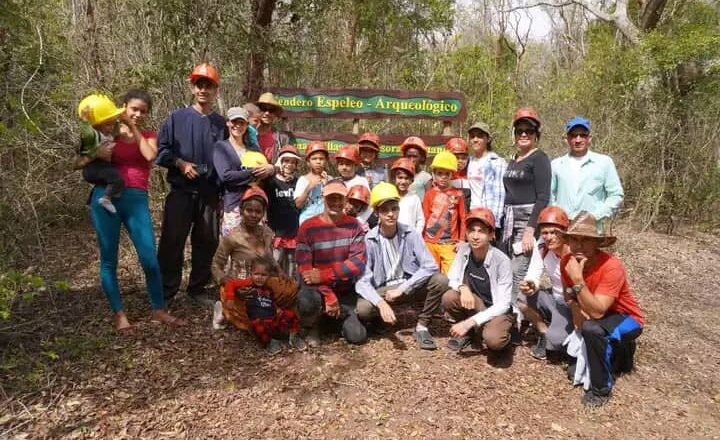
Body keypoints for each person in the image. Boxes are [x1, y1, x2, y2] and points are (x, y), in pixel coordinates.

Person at [86, 89, 185, 330]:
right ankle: (119, 314)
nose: (138, 114)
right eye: (134, 109)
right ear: (123, 107)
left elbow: (150, 155)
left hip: (136, 199)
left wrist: (133, 127)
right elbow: (85, 151)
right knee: (109, 259)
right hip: (105, 198)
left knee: (149, 258)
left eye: (143, 111)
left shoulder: (150, 135)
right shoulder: (109, 132)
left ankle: (159, 309)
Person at [155, 63, 227, 306]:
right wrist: (180, 163)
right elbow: (161, 151)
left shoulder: (222, 123)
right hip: (181, 191)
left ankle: (197, 289)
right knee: (172, 240)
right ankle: (165, 291)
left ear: (215, 89)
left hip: (209, 193)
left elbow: (231, 156)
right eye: (199, 84)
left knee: (207, 241)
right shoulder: (177, 118)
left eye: (208, 85)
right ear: (192, 87)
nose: (203, 89)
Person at [559, 212, 644, 408]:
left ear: (597, 243)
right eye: (574, 239)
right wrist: (575, 312)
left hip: (625, 317)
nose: (579, 245)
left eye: (586, 240)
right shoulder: (567, 262)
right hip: (593, 313)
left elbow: (598, 312)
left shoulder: (611, 266)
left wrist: (578, 280)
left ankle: (601, 390)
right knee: (574, 365)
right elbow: (568, 295)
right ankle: (620, 352)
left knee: (593, 329)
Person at [355, 183, 449, 350]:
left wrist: (403, 288)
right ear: (377, 213)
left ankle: (422, 325)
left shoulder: (410, 233)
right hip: (385, 290)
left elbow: (430, 266)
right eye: (385, 210)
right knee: (363, 308)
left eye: (394, 208)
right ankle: (380, 320)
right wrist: (380, 303)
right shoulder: (369, 240)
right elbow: (362, 281)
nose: (391, 214)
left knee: (440, 280)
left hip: (408, 285)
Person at [295, 180, 368, 346]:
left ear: (345, 200)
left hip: (344, 289)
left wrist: (324, 275)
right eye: (331, 198)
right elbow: (305, 267)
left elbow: (357, 263)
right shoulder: (307, 227)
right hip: (317, 290)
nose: (335, 202)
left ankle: (335, 320)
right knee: (306, 301)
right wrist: (328, 294)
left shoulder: (354, 225)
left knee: (357, 336)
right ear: (323, 198)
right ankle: (313, 324)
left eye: (339, 198)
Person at [502, 107, 552, 322]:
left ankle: (516, 319)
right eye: (519, 130)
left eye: (529, 131)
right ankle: (507, 311)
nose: (523, 134)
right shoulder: (513, 160)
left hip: (527, 223)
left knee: (518, 271)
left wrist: (530, 230)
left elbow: (542, 197)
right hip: (509, 222)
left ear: (536, 135)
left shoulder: (540, 158)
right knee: (507, 269)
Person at [443, 208, 514, 352]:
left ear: (491, 235)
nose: (475, 236)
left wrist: (469, 322)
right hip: (477, 303)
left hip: (497, 309)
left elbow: (504, 304)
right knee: (449, 297)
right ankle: (470, 333)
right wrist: (463, 288)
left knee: (493, 340)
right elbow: (452, 278)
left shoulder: (502, 261)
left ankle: (507, 332)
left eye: (481, 231)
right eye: (471, 231)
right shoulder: (464, 250)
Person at [210, 187, 276, 330]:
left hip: (262, 284)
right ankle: (223, 309)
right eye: (249, 210)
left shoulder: (267, 233)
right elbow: (216, 264)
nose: (253, 215)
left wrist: (282, 279)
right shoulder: (232, 237)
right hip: (240, 287)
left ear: (263, 213)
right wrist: (227, 282)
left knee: (283, 305)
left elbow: (271, 262)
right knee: (249, 325)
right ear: (241, 211)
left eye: (258, 212)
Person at [518, 206, 574, 360]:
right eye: (545, 232)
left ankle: (562, 331)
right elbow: (534, 271)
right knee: (521, 299)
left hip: (571, 305)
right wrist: (530, 284)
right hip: (554, 296)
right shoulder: (542, 246)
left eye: (554, 232)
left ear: (564, 232)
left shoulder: (575, 251)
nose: (549, 237)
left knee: (556, 342)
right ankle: (543, 331)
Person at [222, 255, 306, 354]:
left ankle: (294, 337)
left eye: (263, 275)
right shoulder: (248, 283)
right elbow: (230, 283)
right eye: (256, 274)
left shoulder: (269, 286)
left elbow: (270, 300)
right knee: (258, 326)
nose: (259, 278)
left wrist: (277, 308)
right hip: (259, 319)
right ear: (251, 273)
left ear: (268, 275)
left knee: (291, 315)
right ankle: (270, 342)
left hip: (272, 316)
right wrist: (230, 298)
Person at [213, 107, 275, 236]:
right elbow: (226, 176)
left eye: (242, 123)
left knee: (255, 250)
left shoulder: (253, 148)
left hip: (256, 206)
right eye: (234, 122)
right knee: (234, 247)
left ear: (247, 125)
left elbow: (266, 173)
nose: (238, 126)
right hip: (233, 206)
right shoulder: (221, 147)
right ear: (228, 123)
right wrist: (253, 173)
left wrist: (271, 169)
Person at [551, 117, 624, 223]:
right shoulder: (556, 164)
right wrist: (557, 217)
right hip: (563, 228)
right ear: (567, 139)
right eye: (573, 135)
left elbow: (616, 195)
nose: (578, 140)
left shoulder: (604, 162)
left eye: (583, 135)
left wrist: (595, 216)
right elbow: (549, 197)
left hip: (593, 230)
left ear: (589, 138)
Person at [75, 94, 126, 214]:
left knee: (106, 180)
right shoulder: (94, 136)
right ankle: (106, 199)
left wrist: (120, 117)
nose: (111, 127)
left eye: (112, 124)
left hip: (100, 167)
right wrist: (85, 121)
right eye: (107, 124)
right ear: (96, 124)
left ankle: (91, 200)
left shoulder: (106, 135)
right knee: (117, 180)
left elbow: (116, 131)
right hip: (94, 168)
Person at [422, 151, 466, 274]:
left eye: (447, 174)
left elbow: (463, 218)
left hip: (450, 243)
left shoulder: (458, 194)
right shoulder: (429, 194)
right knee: (432, 274)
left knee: (450, 275)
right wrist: (421, 239)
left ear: (452, 174)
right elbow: (424, 217)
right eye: (440, 173)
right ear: (434, 174)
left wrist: (462, 240)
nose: (443, 177)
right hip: (430, 242)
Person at [262, 145, 302, 277]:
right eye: (286, 161)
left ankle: (288, 291)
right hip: (276, 231)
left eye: (293, 162)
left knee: (291, 263)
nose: (289, 165)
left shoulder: (298, 182)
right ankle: (272, 291)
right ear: (280, 162)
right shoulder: (270, 182)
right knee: (275, 261)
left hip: (293, 230)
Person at [465, 121, 507, 230]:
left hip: (488, 218)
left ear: (488, 139)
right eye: (472, 136)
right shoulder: (469, 162)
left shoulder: (497, 162)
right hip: (472, 215)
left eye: (480, 136)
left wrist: (493, 224)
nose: (475, 139)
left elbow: (499, 195)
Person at [295, 141, 330, 226]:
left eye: (321, 159)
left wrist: (327, 186)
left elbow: (334, 204)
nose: (318, 162)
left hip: (325, 224)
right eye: (314, 159)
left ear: (326, 161)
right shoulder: (303, 180)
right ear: (308, 162)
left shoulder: (330, 179)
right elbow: (298, 204)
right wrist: (309, 187)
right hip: (307, 223)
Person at [390, 158, 425, 234]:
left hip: (410, 237)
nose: (403, 182)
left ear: (411, 180)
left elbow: (420, 220)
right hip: (392, 237)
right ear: (394, 178)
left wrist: (416, 235)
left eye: (406, 178)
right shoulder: (389, 197)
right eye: (400, 178)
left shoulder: (414, 198)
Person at [255, 92, 291, 163]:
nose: (267, 113)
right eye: (264, 109)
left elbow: (284, 164)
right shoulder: (247, 134)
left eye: (271, 110)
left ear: (275, 114)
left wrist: (272, 169)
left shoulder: (281, 139)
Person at [447, 137, 471, 210]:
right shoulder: (442, 177)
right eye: (456, 157)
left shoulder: (472, 175)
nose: (460, 161)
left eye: (463, 158)